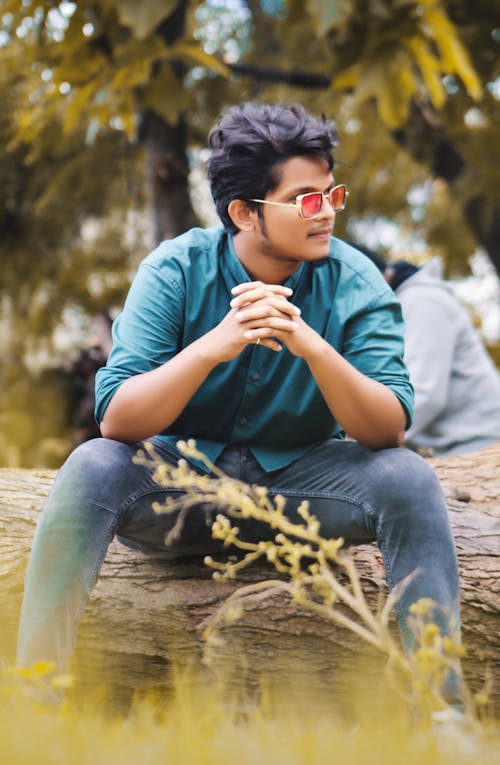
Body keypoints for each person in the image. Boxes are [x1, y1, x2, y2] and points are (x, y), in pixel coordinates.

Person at [17, 103, 461, 705]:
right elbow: (116, 418)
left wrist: (312, 347)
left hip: (306, 492)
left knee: (408, 479)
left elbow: (389, 429)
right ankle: (33, 704)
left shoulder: (357, 281)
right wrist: (211, 349)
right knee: (92, 464)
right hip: (181, 487)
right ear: (244, 213)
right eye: (307, 199)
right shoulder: (174, 269)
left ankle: (443, 715)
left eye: (334, 194)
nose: (327, 212)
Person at [360, 248, 500, 456]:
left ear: (381, 277)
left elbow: (424, 394)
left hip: (481, 444)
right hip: (458, 448)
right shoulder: (403, 304)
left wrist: (368, 439)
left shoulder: (422, 302)